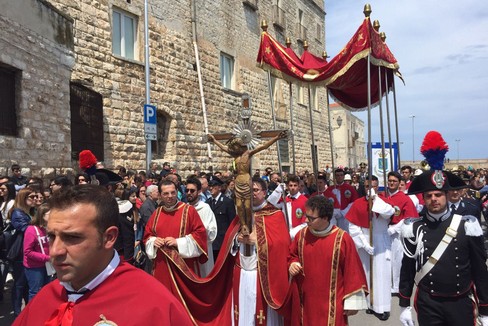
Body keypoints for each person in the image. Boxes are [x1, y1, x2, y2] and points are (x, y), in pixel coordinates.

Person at [13, 184, 192, 325]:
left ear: (109, 238)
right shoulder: (45, 298)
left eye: (72, 237)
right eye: (51, 236)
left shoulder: (154, 305)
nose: (55, 251)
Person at [398, 131, 488, 326]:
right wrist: (404, 304)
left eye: (438, 195)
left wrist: (485, 308)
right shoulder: (414, 227)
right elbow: (407, 268)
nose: (434, 199)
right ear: (424, 197)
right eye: (429, 195)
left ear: (446, 195)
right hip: (428, 303)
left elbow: (480, 269)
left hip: (460, 302)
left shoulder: (468, 225)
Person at [288, 195, 368, 325]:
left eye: (311, 218)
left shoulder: (342, 239)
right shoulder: (301, 235)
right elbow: (292, 254)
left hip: (332, 302)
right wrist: (293, 263)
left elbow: (353, 270)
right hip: (306, 301)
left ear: (325, 218)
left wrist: (353, 302)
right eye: (306, 216)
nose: (306, 220)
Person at [232, 177, 290, 325]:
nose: (252, 193)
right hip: (243, 271)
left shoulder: (275, 214)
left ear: (264, 192)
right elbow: (229, 239)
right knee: (244, 310)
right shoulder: (242, 213)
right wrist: (236, 239)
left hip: (262, 272)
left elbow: (281, 244)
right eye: (249, 191)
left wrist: (258, 241)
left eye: (256, 190)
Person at [207, 131, 287, 235]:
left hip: (246, 179)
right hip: (238, 181)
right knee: (239, 206)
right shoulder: (235, 155)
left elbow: (263, 146)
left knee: (248, 206)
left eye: (236, 146)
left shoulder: (248, 153)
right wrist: (214, 140)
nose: (235, 148)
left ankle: (250, 225)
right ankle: (244, 225)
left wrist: (276, 138)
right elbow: (223, 148)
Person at [346, 176, 396, 321]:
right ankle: (370, 304)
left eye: (373, 186)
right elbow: (353, 226)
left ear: (378, 187)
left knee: (382, 274)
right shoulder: (357, 203)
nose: (370, 189)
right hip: (365, 240)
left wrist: (375, 200)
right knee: (367, 274)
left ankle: (383, 307)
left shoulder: (383, 201)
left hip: (380, 240)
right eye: (368, 186)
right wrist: (364, 243)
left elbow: (388, 213)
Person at [144, 179, 208, 287]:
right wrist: (154, 241)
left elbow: (200, 235)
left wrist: (178, 243)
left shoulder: (189, 211)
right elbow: (147, 235)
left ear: (177, 192)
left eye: (173, 192)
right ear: (160, 195)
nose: (170, 196)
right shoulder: (156, 213)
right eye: (166, 193)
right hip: (161, 266)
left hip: (183, 266)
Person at [380, 172, 419, 296]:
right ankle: (385, 283)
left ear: (399, 183)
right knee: (384, 258)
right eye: (390, 180)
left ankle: (396, 286)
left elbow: (408, 218)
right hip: (382, 232)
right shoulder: (382, 196)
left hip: (396, 233)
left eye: (394, 181)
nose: (391, 183)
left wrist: (395, 228)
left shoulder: (404, 198)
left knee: (397, 260)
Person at [8, 188, 37, 316]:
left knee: (26, 284)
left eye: (35, 196)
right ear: (23, 198)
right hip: (20, 252)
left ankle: (26, 311)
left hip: (29, 250)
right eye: (31, 197)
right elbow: (25, 229)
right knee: (19, 284)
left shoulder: (31, 212)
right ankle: (17, 312)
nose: (35, 199)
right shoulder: (17, 213)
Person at [186, 177, 217, 277]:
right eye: (187, 190)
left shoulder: (205, 208)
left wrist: (197, 232)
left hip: (202, 251)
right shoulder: (184, 208)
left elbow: (212, 232)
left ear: (199, 192)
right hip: (187, 251)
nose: (189, 193)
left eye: (192, 190)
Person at [23, 203, 51, 301]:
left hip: (48, 265)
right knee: (35, 292)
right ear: (42, 215)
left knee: (47, 290)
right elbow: (27, 251)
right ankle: (33, 314)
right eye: (50, 214)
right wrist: (47, 258)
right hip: (34, 267)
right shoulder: (31, 230)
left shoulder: (49, 228)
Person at [268, 174, 308, 239]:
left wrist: (293, 233)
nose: (293, 188)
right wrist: (278, 191)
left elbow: (306, 221)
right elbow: (270, 203)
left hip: (298, 235)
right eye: (290, 185)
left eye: (295, 185)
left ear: (298, 187)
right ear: (287, 186)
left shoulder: (305, 201)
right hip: (284, 233)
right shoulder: (285, 199)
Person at [206, 176, 236, 260]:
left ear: (219, 187)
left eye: (214, 186)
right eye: (210, 186)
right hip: (211, 240)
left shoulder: (227, 202)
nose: (211, 188)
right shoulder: (207, 202)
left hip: (222, 241)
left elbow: (232, 222)